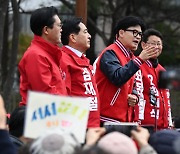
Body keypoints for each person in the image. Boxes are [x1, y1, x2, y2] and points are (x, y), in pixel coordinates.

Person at [94, 16, 158, 124]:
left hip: (123, 119)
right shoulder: (110, 52)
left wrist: (135, 96)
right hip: (106, 118)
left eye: (140, 34)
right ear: (121, 33)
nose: (138, 37)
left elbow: (131, 85)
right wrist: (140, 60)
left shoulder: (131, 57)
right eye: (134, 32)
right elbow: (117, 77)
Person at [18, 6, 67, 106]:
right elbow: (45, 94)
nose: (62, 30)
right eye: (59, 25)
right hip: (43, 117)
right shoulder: (35, 55)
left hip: (54, 115)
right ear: (46, 30)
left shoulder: (49, 54)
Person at [60, 17, 100, 128]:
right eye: (85, 32)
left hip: (92, 126)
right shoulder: (63, 59)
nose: (90, 36)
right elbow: (63, 96)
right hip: (76, 127)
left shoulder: (84, 60)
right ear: (73, 37)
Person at [135, 28, 173, 130]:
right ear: (143, 45)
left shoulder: (162, 70)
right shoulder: (136, 66)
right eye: (153, 43)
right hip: (144, 125)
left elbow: (166, 98)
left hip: (163, 126)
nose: (156, 47)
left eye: (159, 44)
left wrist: (169, 123)